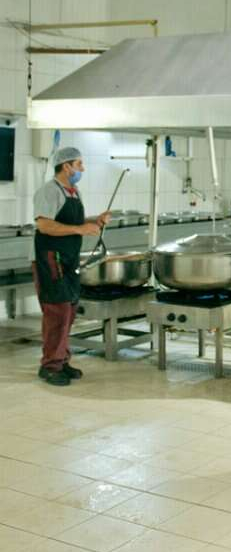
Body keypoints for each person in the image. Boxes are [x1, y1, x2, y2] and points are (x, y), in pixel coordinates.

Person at [32, 147, 111, 386]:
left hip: (68, 258)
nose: (82, 169)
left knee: (70, 310)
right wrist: (80, 229)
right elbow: (44, 225)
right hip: (50, 258)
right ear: (66, 166)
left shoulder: (74, 192)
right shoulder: (49, 191)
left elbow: (72, 221)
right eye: (79, 164)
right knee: (57, 311)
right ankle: (50, 366)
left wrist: (95, 220)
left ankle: (62, 360)